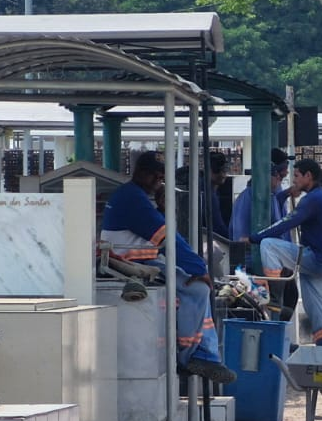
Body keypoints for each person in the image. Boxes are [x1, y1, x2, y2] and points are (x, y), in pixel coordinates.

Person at [101, 150, 237, 384]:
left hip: (140, 262)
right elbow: (168, 239)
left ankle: (204, 353)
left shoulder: (134, 195)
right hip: (132, 265)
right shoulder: (133, 198)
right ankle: (189, 355)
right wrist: (199, 268)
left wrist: (163, 210)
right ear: (138, 173)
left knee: (193, 286)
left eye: (160, 175)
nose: (157, 180)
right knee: (197, 289)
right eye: (152, 174)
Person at [249, 157, 322, 346]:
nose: (294, 180)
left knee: (268, 244)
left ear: (309, 176)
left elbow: (288, 222)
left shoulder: (312, 199)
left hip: (314, 258)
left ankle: (274, 295)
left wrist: (255, 237)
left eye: (297, 175)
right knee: (318, 309)